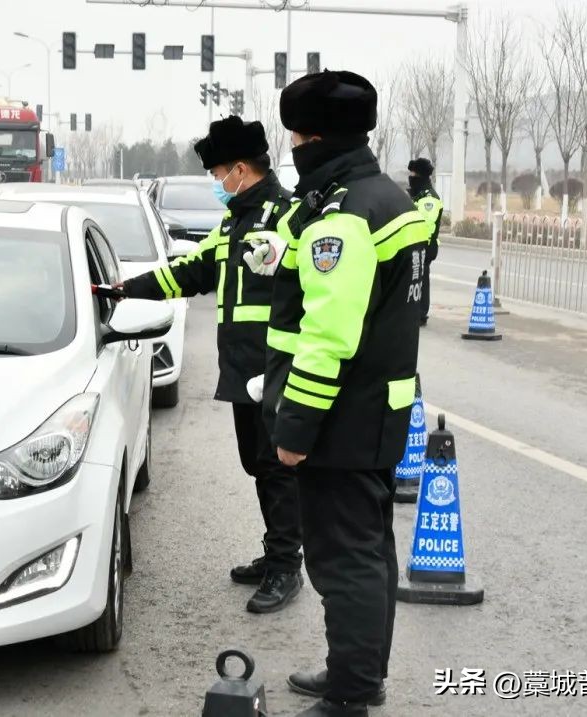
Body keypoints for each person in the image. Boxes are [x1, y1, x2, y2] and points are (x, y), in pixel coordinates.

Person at [244, 70, 428, 716]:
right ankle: (359, 671)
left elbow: (326, 337)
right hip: (379, 410)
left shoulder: (343, 215)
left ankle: (351, 691)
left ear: (315, 137)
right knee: (371, 550)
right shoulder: (389, 200)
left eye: (296, 135)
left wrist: (293, 432)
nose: (293, 147)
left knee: (342, 559)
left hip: (338, 419)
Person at [118, 115, 304, 614]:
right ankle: (276, 552)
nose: (216, 184)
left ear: (241, 169)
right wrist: (129, 288)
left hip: (277, 366)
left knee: (276, 466)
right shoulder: (236, 219)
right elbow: (196, 270)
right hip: (245, 367)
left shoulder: (289, 217)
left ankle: (288, 565)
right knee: (257, 463)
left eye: (219, 173)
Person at [408, 158, 443, 325]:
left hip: (424, 245)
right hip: (416, 244)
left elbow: (427, 226)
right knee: (415, 278)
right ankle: (415, 311)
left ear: (421, 175)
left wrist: (420, 245)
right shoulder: (418, 195)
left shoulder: (429, 198)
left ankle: (421, 313)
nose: (411, 177)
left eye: (413, 174)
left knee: (421, 279)